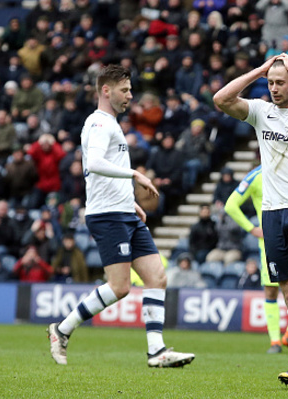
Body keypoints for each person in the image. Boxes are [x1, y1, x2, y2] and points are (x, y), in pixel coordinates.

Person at [47, 64, 194, 368]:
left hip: (123, 211)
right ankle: (61, 330)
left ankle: (157, 352)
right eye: (124, 90)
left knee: (156, 276)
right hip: (107, 215)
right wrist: (135, 174)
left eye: (130, 89)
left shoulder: (111, 123)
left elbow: (105, 167)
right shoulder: (100, 124)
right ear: (106, 90)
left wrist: (131, 200)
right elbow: (96, 164)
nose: (130, 95)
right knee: (120, 287)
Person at [213, 53, 288, 390]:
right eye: (271, 83)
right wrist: (259, 70)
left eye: (280, 82)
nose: (275, 88)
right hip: (272, 212)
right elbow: (221, 99)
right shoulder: (261, 112)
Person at [224, 165, 288, 354]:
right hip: (272, 241)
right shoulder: (256, 176)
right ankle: (275, 341)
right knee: (272, 290)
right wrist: (252, 228)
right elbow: (230, 205)